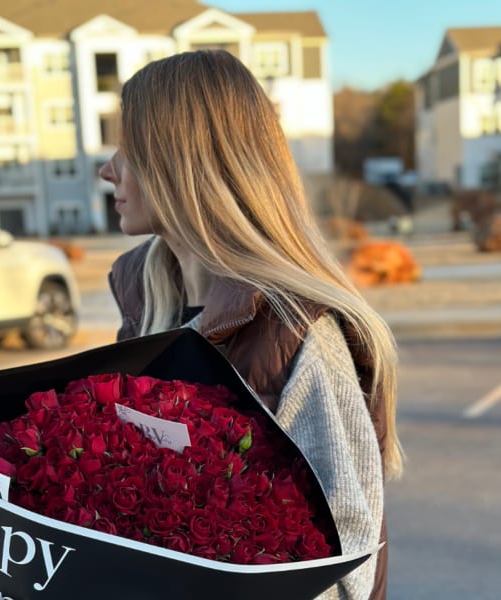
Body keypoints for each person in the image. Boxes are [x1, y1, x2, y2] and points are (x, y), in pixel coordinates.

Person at [99, 50, 403, 600]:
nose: (107, 170)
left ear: (182, 163)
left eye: (129, 151)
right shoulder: (145, 304)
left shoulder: (297, 332)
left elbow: (346, 575)